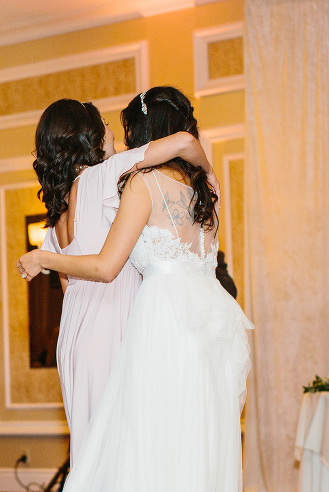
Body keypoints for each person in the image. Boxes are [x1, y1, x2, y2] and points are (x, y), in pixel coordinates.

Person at [0, 87, 252, 492]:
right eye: (105, 128)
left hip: (110, 330)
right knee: (158, 471)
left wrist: (45, 258)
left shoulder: (91, 191)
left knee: (111, 467)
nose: (118, 137)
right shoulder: (166, 185)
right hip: (163, 327)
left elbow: (91, 270)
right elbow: (186, 148)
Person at [34, 98, 215, 464]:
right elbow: (184, 143)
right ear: (91, 135)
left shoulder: (55, 219)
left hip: (75, 334)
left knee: (89, 452)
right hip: (112, 327)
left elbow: (71, 286)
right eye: (103, 120)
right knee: (121, 452)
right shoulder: (106, 173)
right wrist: (208, 179)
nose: (113, 128)